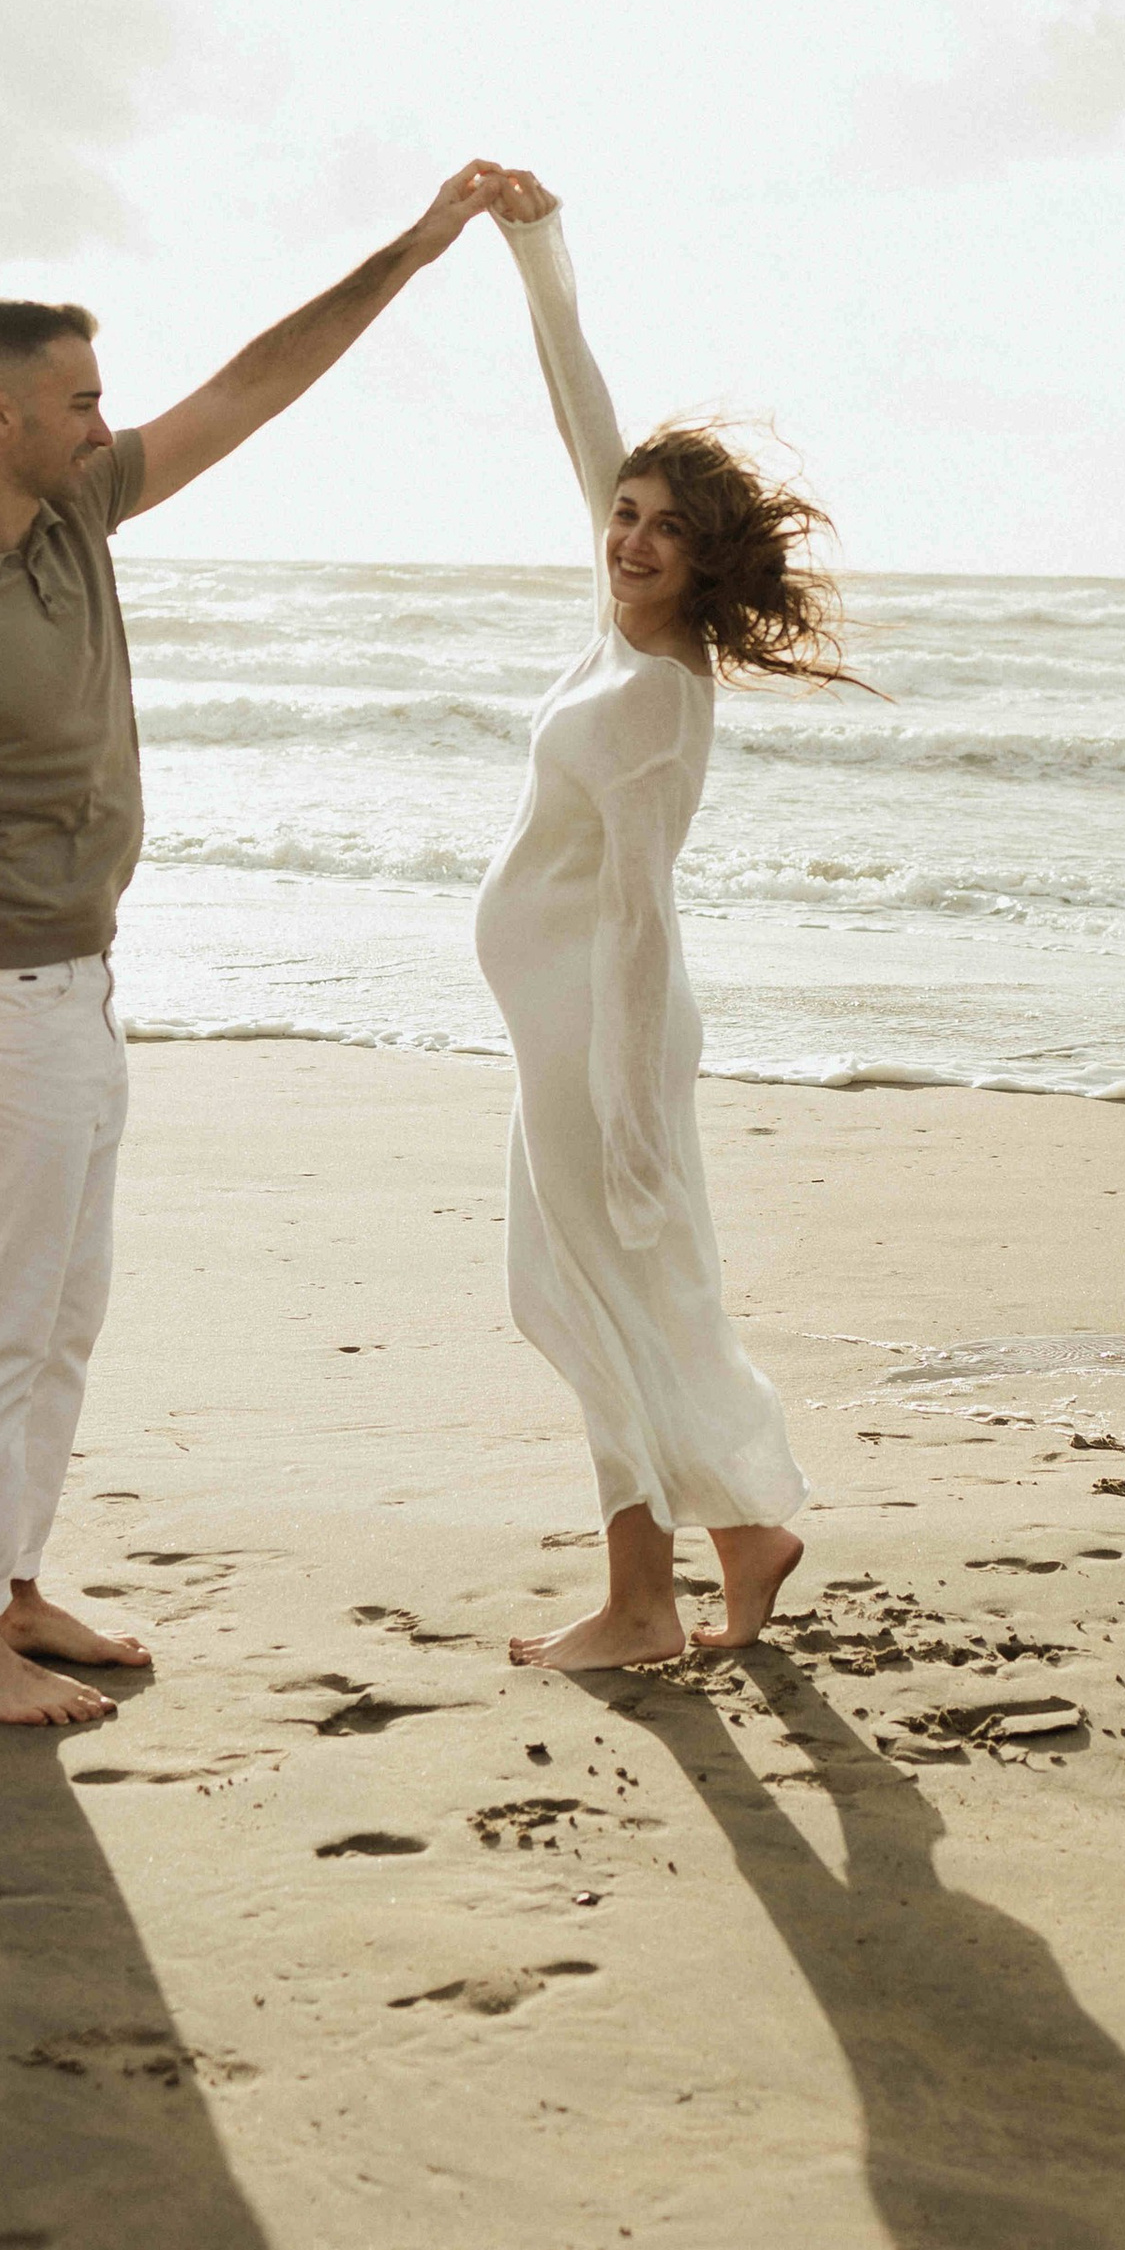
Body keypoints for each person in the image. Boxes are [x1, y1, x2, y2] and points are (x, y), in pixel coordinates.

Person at [0, 163, 504, 1728]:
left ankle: (5, 1590)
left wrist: (415, 245)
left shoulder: (77, 515)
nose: (102, 421)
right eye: (78, 399)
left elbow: (250, 389)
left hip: (78, 1002)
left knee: (61, 1319)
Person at [475, 171, 857, 1671]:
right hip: (562, 1035)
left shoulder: (647, 693)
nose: (627, 538)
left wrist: (630, 1120)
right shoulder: (617, 630)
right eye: (623, 517)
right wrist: (535, 251)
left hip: (600, 1042)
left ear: (705, 560)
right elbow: (587, 418)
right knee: (581, 1296)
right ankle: (711, 1555)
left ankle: (663, 1591)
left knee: (624, 1293)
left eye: (659, 530)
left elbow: (638, 928)